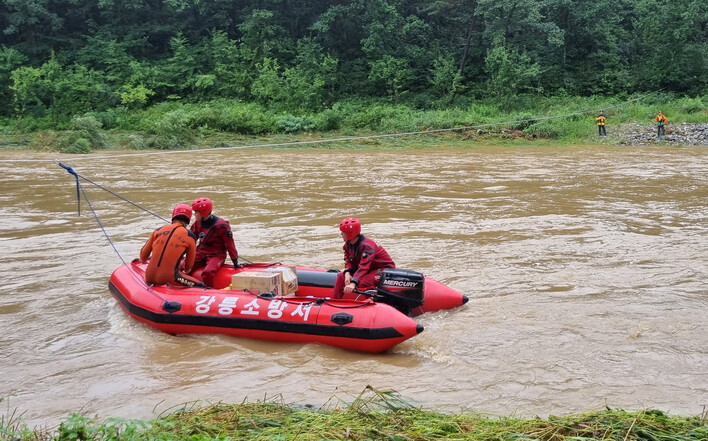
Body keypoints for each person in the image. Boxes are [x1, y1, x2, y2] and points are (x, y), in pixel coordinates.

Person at [139, 204, 204, 287]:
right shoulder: (190, 236)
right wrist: (185, 272)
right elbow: (188, 266)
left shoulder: (158, 231)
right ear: (188, 219)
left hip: (149, 277)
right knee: (201, 286)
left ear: (173, 216)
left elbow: (143, 257)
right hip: (170, 278)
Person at [333, 217, 395, 299]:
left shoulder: (367, 246)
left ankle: (372, 300)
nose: (341, 234)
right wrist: (347, 273)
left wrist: (353, 283)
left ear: (350, 234)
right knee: (341, 276)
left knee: (362, 282)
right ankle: (334, 301)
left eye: (343, 232)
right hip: (369, 269)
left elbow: (364, 266)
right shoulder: (347, 245)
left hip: (383, 270)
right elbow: (348, 261)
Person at [189, 197, 239, 288]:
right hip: (201, 252)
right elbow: (190, 240)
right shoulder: (197, 223)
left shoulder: (221, 225)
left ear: (203, 212)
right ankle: (188, 287)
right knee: (184, 267)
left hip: (217, 255)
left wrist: (235, 260)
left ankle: (208, 290)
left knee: (208, 272)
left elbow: (230, 244)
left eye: (196, 212)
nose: (195, 214)